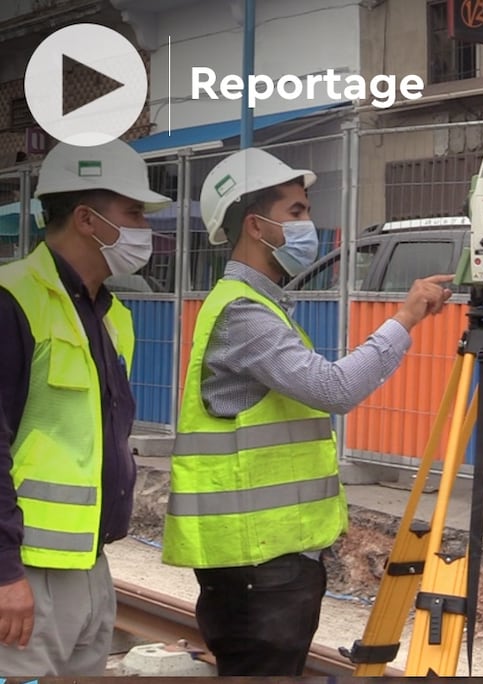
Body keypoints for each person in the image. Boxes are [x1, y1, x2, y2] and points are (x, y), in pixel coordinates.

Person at [160, 147, 453, 676]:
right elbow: (333, 388)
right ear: (256, 225)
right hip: (257, 560)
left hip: (268, 555)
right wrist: (405, 318)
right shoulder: (243, 314)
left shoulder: (260, 307)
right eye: (296, 211)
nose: (309, 224)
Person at [0, 140, 172, 675]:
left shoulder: (111, 314)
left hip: (90, 561)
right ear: (86, 219)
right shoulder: (12, 300)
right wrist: (5, 573)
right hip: (28, 568)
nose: (145, 227)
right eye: (134, 212)